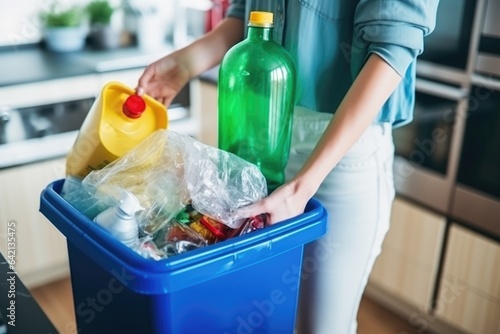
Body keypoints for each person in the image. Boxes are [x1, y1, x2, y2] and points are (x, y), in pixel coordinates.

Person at [137, 1, 439, 333]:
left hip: (340, 152)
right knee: (260, 313)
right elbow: (246, 18)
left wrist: (300, 187)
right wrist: (182, 64)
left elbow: (393, 45)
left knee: (320, 326)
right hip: (263, 134)